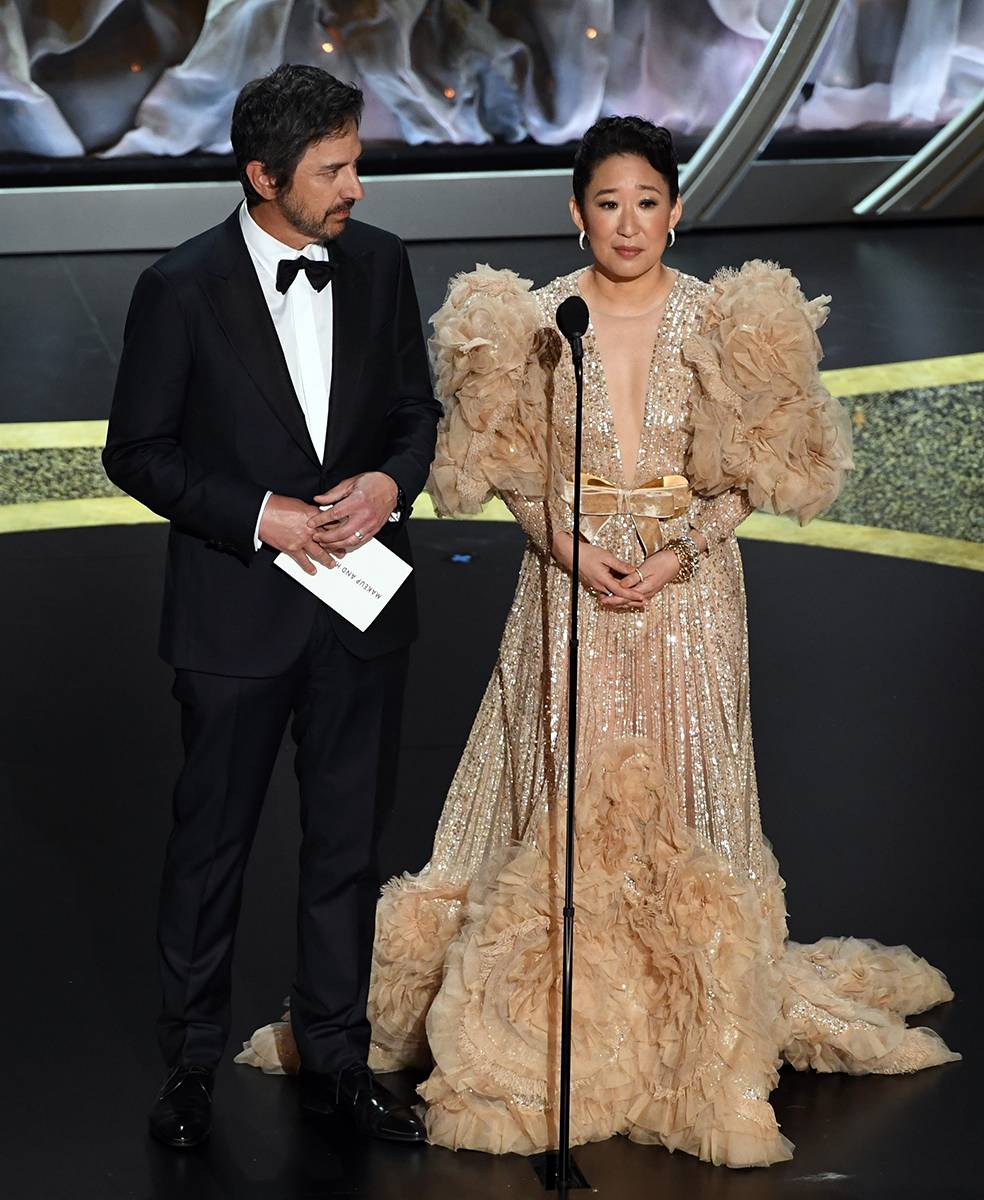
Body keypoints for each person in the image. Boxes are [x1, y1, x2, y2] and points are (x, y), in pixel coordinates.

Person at [237, 116, 958, 1167]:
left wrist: (684, 552)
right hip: (566, 594)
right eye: (609, 203)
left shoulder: (723, 319)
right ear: (577, 211)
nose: (630, 223)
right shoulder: (534, 319)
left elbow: (756, 472)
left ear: (676, 209)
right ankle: (550, 1005)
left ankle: (687, 1013)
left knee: (682, 789)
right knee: (563, 788)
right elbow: (510, 467)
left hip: (688, 598)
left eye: (650, 203)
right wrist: (570, 550)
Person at [104, 64, 441, 1149]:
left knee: (345, 845)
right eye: (333, 169)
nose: (356, 186)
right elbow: (137, 453)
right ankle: (191, 1069)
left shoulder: (382, 265)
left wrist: (393, 483)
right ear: (263, 176)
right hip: (236, 618)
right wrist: (262, 515)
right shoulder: (181, 287)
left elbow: (413, 410)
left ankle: (337, 1060)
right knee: (213, 850)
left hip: (357, 614)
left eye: (355, 160)